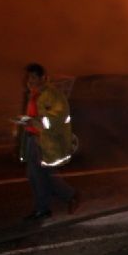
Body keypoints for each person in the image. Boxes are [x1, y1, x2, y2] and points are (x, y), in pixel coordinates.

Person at [15, 63, 78, 221]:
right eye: (28, 77)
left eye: (34, 77)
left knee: (42, 175)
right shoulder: (34, 94)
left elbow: (57, 117)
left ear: (43, 78)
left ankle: (67, 197)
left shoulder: (52, 94)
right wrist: (26, 122)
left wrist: (34, 122)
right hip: (32, 138)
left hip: (44, 141)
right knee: (35, 175)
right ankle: (46, 206)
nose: (30, 80)